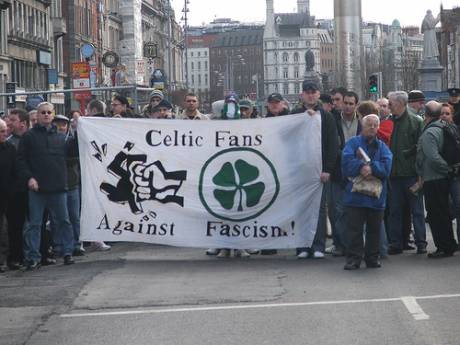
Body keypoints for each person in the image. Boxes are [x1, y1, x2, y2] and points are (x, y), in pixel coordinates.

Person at [17, 102, 77, 269]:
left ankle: (67, 252)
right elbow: (21, 161)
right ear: (38, 115)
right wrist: (29, 178)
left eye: (48, 112)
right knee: (34, 224)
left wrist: (79, 129)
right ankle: (33, 257)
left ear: (53, 114)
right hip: (37, 189)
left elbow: (76, 152)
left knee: (64, 221)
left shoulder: (62, 137)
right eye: (42, 112)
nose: (45, 115)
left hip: (58, 188)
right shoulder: (28, 137)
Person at [291, 80, 339, 259]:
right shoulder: (295, 114)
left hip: (319, 172)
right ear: (302, 94)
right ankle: (302, 246)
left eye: (314, 92)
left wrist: (328, 169)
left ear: (318, 94)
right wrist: (303, 119)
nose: (310, 95)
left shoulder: (327, 117)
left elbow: (333, 145)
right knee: (301, 208)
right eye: (307, 92)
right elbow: (286, 139)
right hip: (300, 170)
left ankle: (318, 245)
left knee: (319, 209)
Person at [341, 114, 393, 270]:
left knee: (374, 231)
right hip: (355, 197)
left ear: (378, 127)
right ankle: (353, 259)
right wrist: (360, 166)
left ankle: (372, 258)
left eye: (375, 124)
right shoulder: (352, 143)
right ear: (362, 126)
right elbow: (345, 164)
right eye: (368, 124)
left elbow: (387, 169)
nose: (372, 127)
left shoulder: (383, 147)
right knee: (354, 230)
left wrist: (372, 168)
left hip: (376, 199)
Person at [387, 91, 427, 255]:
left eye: (391, 104)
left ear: (401, 104)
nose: (390, 106)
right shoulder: (389, 121)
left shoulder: (416, 121)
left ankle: (421, 243)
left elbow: (421, 147)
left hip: (411, 174)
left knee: (417, 211)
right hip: (394, 174)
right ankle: (395, 243)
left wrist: (419, 173)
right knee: (394, 210)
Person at [416, 101, 458, 258]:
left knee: (436, 214)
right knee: (444, 213)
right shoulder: (446, 126)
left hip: (434, 177)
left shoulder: (429, 132)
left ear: (426, 114)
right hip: (444, 177)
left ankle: (443, 246)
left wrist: (446, 168)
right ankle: (450, 243)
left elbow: (432, 156)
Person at [5, 109, 29, 269]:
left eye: (12, 120)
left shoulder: (32, 140)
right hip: (15, 192)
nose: (9, 123)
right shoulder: (8, 143)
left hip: (33, 189)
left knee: (35, 223)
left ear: (22, 123)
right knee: (15, 226)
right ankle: (16, 257)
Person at [0, 118, 16, 272]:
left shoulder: (10, 148)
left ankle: (4, 259)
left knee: (5, 227)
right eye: (1, 131)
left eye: (5, 130)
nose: (5, 133)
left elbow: (15, 171)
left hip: (7, 195)